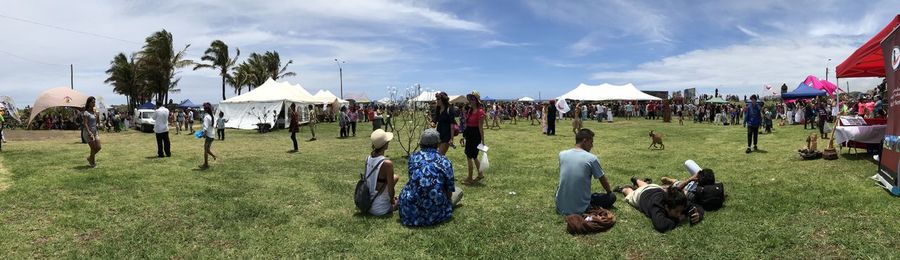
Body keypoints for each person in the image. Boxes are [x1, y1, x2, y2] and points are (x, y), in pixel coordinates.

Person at [398, 129, 463, 227]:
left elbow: (413, 180)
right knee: (458, 191)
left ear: (421, 143)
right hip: (435, 211)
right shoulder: (444, 160)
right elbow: (449, 190)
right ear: (438, 144)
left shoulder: (413, 157)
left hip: (410, 209)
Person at [555, 129, 614, 215]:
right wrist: (609, 192)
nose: (592, 146)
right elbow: (603, 181)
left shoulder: (562, 154)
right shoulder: (591, 158)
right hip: (581, 208)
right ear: (585, 141)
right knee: (611, 197)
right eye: (591, 142)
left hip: (561, 206)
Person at [617, 178, 703, 233]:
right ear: (666, 207)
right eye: (677, 211)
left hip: (655, 188)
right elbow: (661, 225)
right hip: (639, 195)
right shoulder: (657, 206)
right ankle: (623, 188)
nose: (680, 213)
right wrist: (678, 219)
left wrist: (698, 214)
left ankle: (636, 180)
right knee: (629, 191)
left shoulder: (678, 202)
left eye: (680, 211)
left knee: (647, 185)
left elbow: (696, 206)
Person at [365, 129, 399, 216]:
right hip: (380, 209)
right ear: (385, 145)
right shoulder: (387, 164)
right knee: (402, 199)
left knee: (395, 177)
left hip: (367, 204)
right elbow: (391, 190)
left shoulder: (368, 158)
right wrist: (392, 201)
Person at [461, 92, 486, 185]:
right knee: (474, 156)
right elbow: (467, 124)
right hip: (469, 134)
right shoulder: (470, 111)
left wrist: (483, 141)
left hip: (475, 135)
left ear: (477, 100)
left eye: (472, 99)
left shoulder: (480, 112)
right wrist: (464, 136)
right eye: (470, 99)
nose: (470, 101)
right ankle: (480, 174)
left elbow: (480, 128)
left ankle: (470, 178)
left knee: (469, 156)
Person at [82, 97, 102, 167]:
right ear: (89, 103)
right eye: (92, 102)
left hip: (95, 131)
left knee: (98, 147)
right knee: (93, 148)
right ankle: (92, 163)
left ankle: (90, 158)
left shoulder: (94, 112)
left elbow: (97, 123)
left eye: (94, 102)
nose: (94, 103)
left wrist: (98, 116)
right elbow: (85, 123)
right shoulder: (86, 112)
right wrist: (89, 132)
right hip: (88, 132)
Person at [200, 103, 217, 169]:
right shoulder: (212, 115)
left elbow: (205, 127)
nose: (203, 109)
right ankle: (214, 156)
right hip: (212, 135)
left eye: (204, 108)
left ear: (206, 109)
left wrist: (203, 134)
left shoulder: (206, 117)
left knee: (205, 150)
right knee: (207, 149)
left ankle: (206, 164)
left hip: (209, 135)